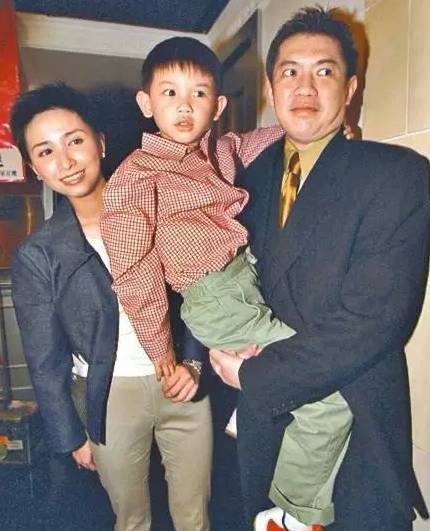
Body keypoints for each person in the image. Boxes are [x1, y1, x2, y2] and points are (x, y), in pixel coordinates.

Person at [101, 37, 354, 531]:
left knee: (305, 357)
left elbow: (252, 142)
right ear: (146, 103)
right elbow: (134, 271)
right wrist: (160, 349)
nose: (184, 106)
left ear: (217, 107)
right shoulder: (137, 177)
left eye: (198, 94)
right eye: (170, 93)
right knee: (329, 397)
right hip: (214, 297)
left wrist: (321, 129)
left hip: (246, 279)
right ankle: (292, 513)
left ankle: (250, 399)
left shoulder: (217, 149)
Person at [209, 6, 430, 531]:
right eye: (290, 71)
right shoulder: (245, 181)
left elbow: (375, 319)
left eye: (324, 70)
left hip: (353, 417)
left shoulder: (397, 174)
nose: (304, 86)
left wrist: (256, 373)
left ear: (350, 88)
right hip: (265, 419)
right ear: (270, 87)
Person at [10, 83, 212, 531]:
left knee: (195, 516)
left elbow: (202, 291)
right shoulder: (38, 255)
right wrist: (71, 436)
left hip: (180, 381)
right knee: (131, 519)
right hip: (109, 396)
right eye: (46, 152)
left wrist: (195, 362)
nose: (65, 162)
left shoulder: (159, 209)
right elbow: (44, 360)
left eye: (75, 141)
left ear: (100, 142)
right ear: (34, 168)